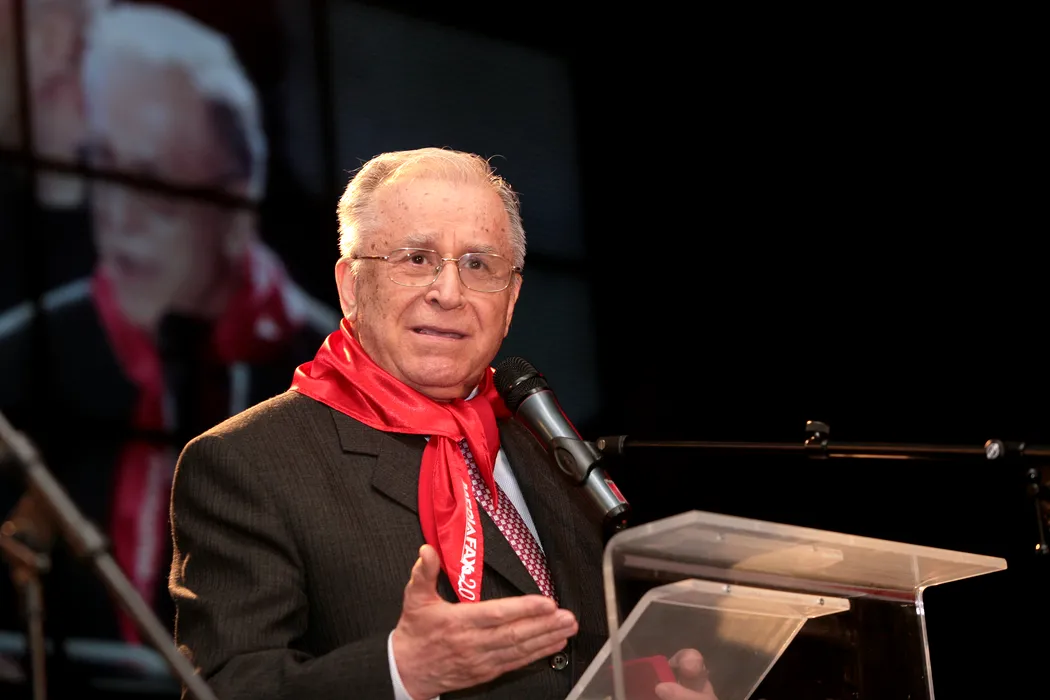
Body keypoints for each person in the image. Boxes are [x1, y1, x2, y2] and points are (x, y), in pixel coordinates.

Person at [169, 147, 718, 700]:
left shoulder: (550, 448)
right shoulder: (248, 462)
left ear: (510, 299)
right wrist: (398, 672)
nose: (449, 293)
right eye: (415, 259)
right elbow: (226, 688)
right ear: (351, 285)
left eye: (478, 265)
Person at [0, 3, 338, 650]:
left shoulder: (341, 382)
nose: (118, 218)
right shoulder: (19, 363)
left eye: (150, 184)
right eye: (104, 168)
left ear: (236, 199)